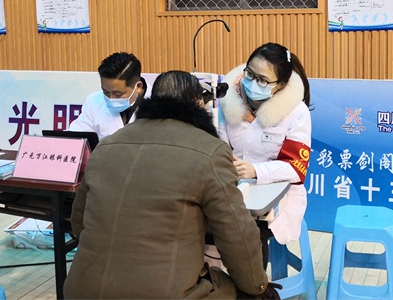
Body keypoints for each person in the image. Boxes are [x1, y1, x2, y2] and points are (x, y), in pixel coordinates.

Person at [64, 70, 272, 299]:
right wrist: (258, 287)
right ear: (198, 103)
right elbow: (236, 236)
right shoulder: (210, 151)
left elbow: (78, 223)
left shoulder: (105, 146)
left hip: (81, 290)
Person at [218, 42, 312, 268]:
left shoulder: (296, 112)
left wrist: (255, 171)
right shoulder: (228, 100)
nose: (252, 83)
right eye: (250, 74)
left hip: (278, 194)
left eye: (262, 80)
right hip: (232, 188)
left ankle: (256, 285)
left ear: (280, 85)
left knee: (250, 232)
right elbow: (219, 146)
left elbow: (296, 169)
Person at [69, 52, 148, 140]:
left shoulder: (157, 104)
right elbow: (75, 138)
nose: (111, 98)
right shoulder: (94, 102)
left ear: (138, 87)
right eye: (106, 92)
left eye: (117, 94)